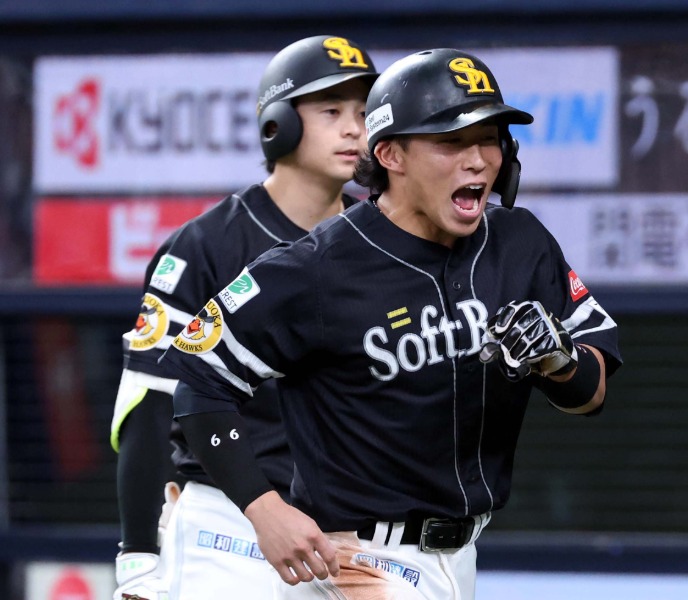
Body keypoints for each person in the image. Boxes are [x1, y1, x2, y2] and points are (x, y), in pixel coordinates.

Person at [160, 48, 622, 600]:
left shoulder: (521, 245)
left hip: (462, 555)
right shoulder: (317, 267)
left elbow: (592, 394)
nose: (477, 159)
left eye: (489, 138)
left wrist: (558, 361)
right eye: (450, 141)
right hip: (358, 562)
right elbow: (200, 381)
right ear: (391, 155)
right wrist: (264, 510)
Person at [108, 35, 379, 600]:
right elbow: (149, 402)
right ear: (278, 123)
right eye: (331, 111)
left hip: (344, 536)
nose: (355, 129)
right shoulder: (204, 245)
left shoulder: (380, 242)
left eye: (362, 112)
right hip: (226, 528)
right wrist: (139, 556)